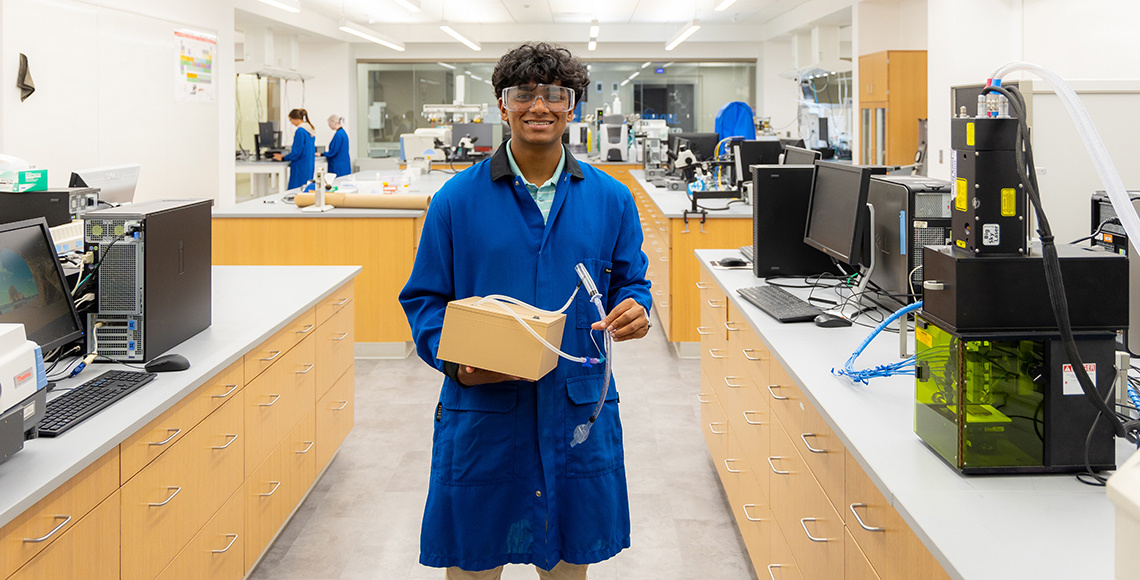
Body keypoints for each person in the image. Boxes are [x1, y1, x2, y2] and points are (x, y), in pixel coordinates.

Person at [399, 42, 652, 580]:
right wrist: (455, 361)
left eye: (554, 95)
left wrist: (638, 309)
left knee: (566, 560)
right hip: (485, 410)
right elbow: (423, 300)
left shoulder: (611, 199)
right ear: (501, 104)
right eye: (524, 95)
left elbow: (633, 283)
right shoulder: (455, 200)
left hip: (575, 406)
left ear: (573, 106)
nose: (540, 107)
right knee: (472, 560)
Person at [274, 108, 316, 190]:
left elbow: (296, 152)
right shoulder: (309, 130)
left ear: (295, 119)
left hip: (300, 166)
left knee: (295, 191)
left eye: (291, 120)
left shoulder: (300, 131)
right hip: (308, 165)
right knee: (305, 190)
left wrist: (283, 158)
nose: (291, 123)